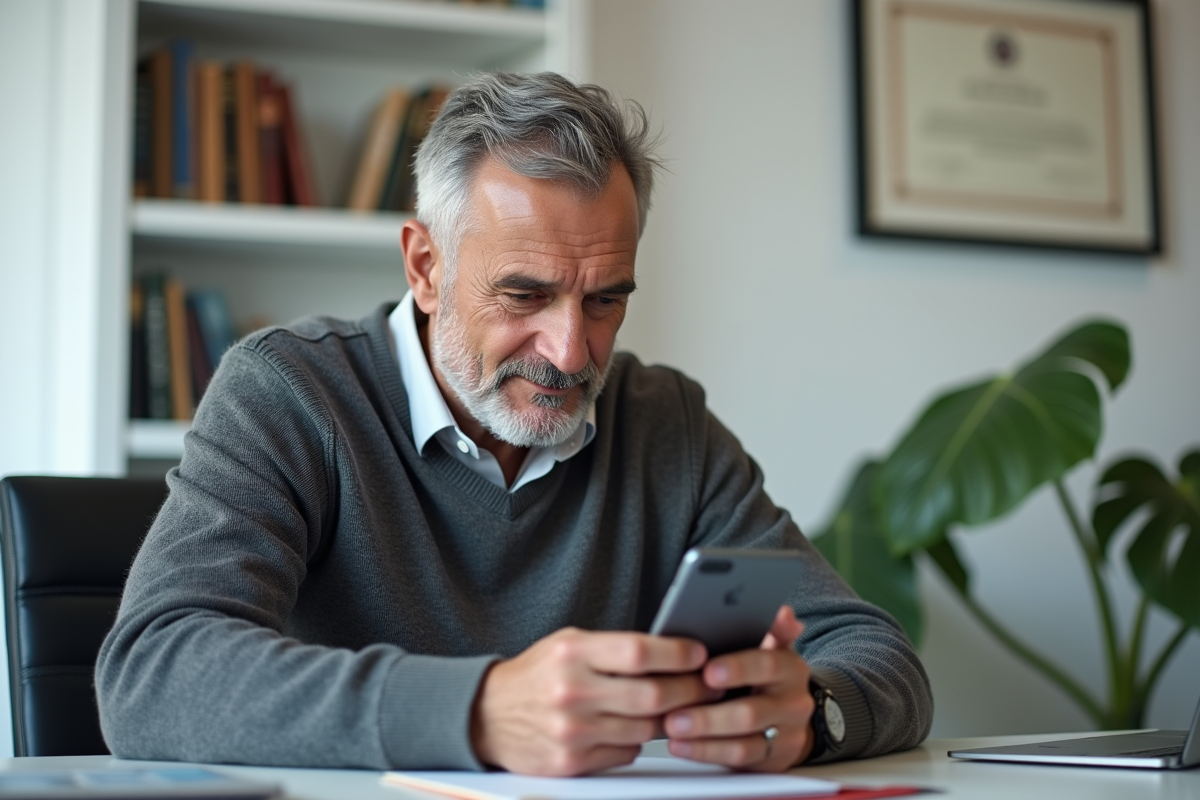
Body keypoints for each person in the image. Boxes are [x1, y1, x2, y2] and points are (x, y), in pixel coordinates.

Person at [96, 72, 932, 776]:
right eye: (524, 296)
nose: (570, 352)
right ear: (426, 266)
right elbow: (152, 675)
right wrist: (479, 712)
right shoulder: (290, 392)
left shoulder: (663, 420)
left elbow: (875, 652)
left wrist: (811, 713)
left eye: (605, 300)